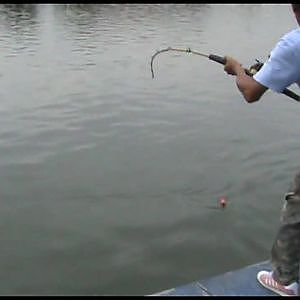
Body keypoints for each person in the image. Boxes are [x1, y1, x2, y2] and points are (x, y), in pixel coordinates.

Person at [223, 3, 300, 296]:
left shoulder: (294, 43)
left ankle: (283, 279)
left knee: (298, 206)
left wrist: (238, 69)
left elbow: (251, 92)